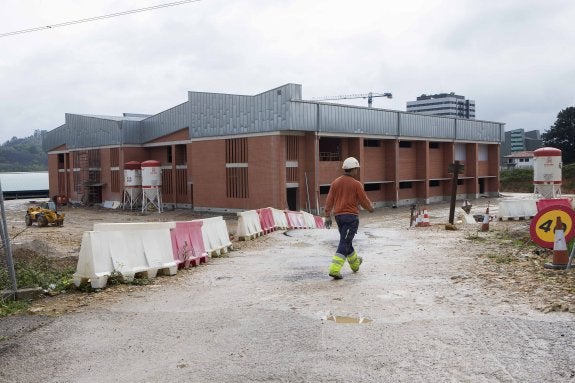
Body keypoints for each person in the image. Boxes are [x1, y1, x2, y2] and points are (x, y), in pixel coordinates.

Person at [324, 156, 374, 279]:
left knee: (347, 241)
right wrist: (370, 208)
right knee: (344, 242)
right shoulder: (356, 184)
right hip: (351, 218)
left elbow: (329, 200)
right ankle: (334, 269)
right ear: (353, 170)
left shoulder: (335, 182)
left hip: (339, 217)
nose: (357, 171)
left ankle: (355, 264)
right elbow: (363, 200)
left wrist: (327, 215)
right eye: (356, 169)